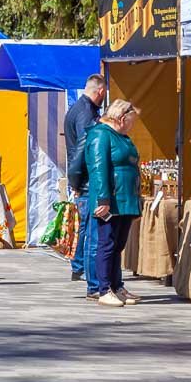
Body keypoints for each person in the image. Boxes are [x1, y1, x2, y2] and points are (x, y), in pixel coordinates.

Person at [85, 99, 144, 307]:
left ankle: (116, 285)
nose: (132, 125)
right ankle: (103, 289)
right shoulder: (101, 135)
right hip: (111, 199)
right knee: (107, 243)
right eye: (131, 120)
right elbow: (98, 169)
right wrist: (103, 199)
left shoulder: (122, 137)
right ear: (121, 118)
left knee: (118, 245)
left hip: (125, 198)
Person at [65, 73, 106, 296]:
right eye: (105, 93)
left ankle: (79, 266)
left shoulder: (78, 108)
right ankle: (90, 279)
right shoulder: (85, 112)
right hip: (86, 181)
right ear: (100, 91)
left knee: (87, 229)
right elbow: (85, 148)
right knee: (91, 232)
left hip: (82, 179)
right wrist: (77, 180)